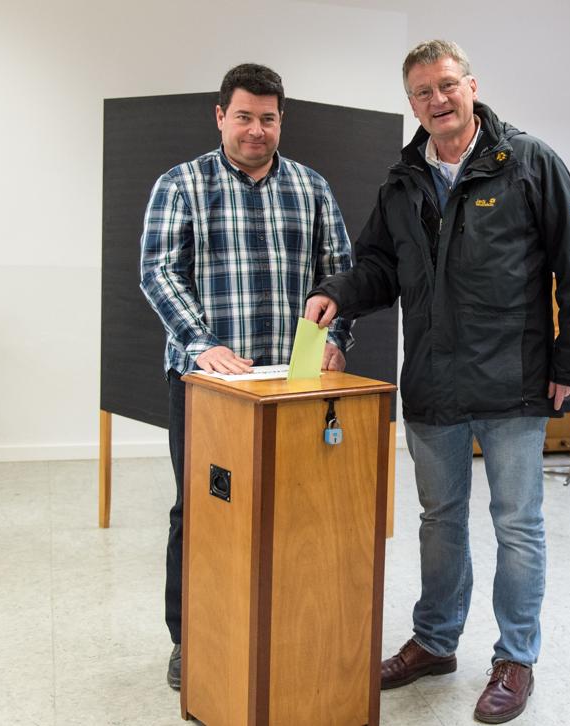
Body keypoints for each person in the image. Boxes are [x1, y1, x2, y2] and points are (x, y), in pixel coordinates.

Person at [304, 40, 570, 724]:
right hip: (433, 384)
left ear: (471, 85)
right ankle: (435, 642)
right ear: (411, 104)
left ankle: (515, 658)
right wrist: (337, 294)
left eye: (446, 85)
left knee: (517, 524)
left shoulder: (529, 162)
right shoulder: (403, 181)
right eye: (422, 92)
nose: (437, 100)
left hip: (513, 383)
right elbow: (379, 266)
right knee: (439, 522)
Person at [139, 63, 352, 691]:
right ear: (220, 117)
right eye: (243, 117)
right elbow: (158, 271)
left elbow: (340, 271)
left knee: (294, 510)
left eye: (268, 118)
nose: (256, 129)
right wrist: (202, 343)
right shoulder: (181, 184)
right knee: (201, 511)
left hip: (292, 384)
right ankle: (190, 636)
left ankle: (281, 625)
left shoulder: (312, 187)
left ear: (281, 120)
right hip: (209, 387)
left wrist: (335, 338)